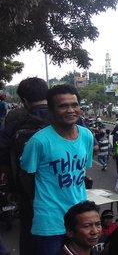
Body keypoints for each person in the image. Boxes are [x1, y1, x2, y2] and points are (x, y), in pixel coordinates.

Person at [20, 84, 95, 255]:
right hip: (50, 223)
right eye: (63, 106)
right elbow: (25, 176)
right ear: (52, 110)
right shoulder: (38, 141)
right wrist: (37, 199)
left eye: (74, 105)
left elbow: (81, 172)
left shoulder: (86, 136)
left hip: (80, 220)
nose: (70, 110)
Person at [0, 77, 49, 255]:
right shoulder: (65, 115)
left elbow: (3, 155)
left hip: (28, 192)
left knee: (30, 234)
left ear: (24, 101)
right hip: (65, 187)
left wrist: (11, 184)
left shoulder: (14, 118)